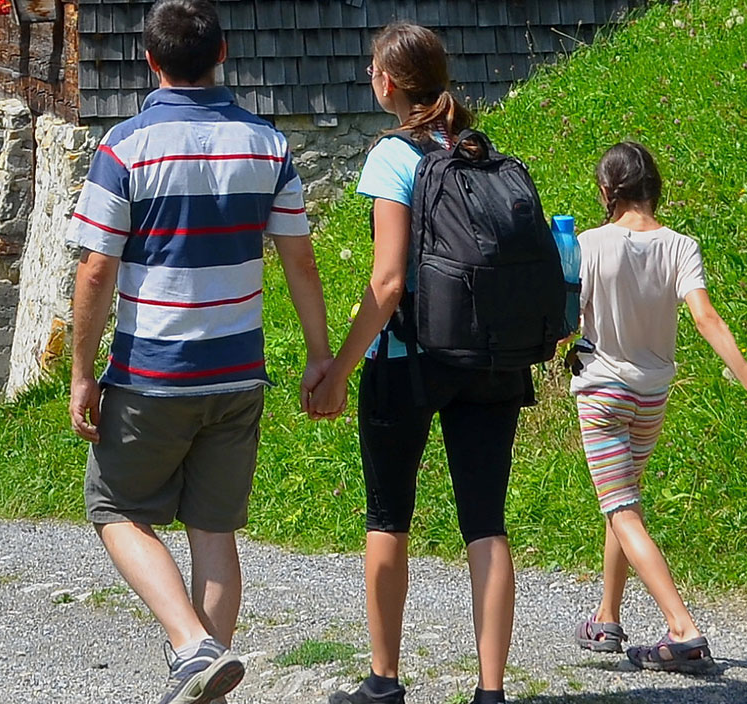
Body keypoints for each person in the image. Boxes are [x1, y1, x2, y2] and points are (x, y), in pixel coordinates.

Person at [63, 2, 332, 702]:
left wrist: (82, 372)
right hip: (239, 372)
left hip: (152, 373)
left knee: (115, 508)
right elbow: (300, 263)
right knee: (214, 532)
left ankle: (191, 648)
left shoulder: (123, 148)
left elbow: (96, 270)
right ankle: (203, 682)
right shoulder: (268, 145)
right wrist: (317, 354)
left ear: (149, 61)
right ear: (223, 53)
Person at [299, 20, 569, 704]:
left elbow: (388, 283)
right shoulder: (480, 150)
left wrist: (338, 368)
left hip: (409, 359)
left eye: (372, 71)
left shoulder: (394, 157)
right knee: (486, 520)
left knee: (388, 516)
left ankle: (384, 682)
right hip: (490, 358)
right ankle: (491, 690)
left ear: (388, 83)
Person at [561, 141, 747, 676]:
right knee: (623, 501)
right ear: (654, 188)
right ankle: (607, 617)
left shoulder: (587, 245)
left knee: (621, 508)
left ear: (605, 192)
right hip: (652, 396)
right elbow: (707, 318)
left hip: (603, 391)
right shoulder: (681, 245)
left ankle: (682, 629)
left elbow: (567, 321)